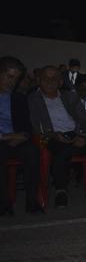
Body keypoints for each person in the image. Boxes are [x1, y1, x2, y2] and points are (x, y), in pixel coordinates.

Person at [28, 66, 86, 206]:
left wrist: (83, 135)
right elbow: (34, 124)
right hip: (51, 135)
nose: (50, 81)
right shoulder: (33, 99)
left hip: (75, 133)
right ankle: (61, 191)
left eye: (55, 78)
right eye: (46, 78)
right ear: (39, 80)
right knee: (62, 150)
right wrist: (53, 134)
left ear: (60, 82)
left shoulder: (70, 96)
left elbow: (84, 120)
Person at [0, 56, 43, 214]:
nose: (12, 82)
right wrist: (6, 137)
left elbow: (26, 125)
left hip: (15, 139)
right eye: (9, 77)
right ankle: (4, 202)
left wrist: (23, 136)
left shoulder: (18, 98)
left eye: (16, 78)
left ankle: (32, 201)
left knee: (32, 151)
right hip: (3, 138)